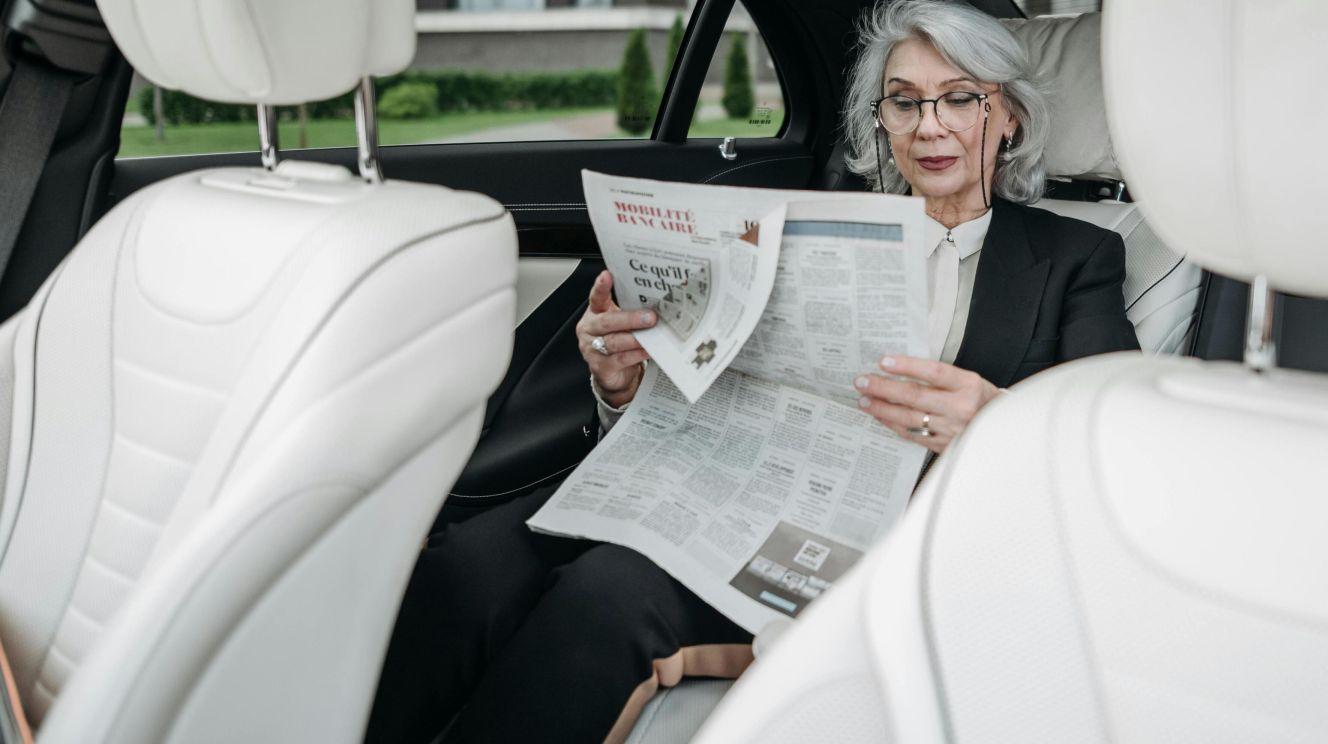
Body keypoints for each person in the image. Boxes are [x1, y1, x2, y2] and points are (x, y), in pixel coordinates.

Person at [365, 1, 1137, 741]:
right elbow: (726, 390)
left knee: (608, 594)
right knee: (470, 563)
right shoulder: (793, 229)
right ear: (880, 124)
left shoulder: (1077, 259)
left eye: (959, 99)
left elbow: (1122, 442)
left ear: (1008, 117)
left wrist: (994, 417)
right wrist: (620, 384)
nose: (929, 126)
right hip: (708, 484)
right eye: (902, 104)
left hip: (865, 538)